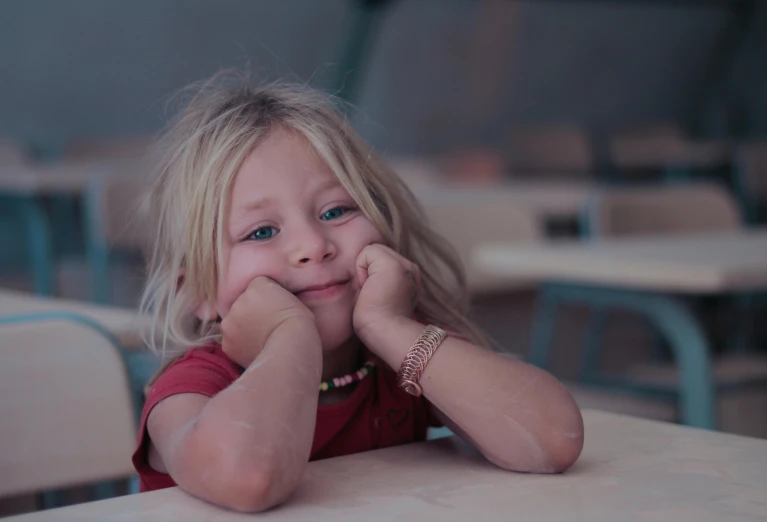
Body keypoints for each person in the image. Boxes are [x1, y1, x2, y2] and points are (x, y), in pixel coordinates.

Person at [132, 71, 584, 513]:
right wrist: (289, 335)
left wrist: (388, 326)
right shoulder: (193, 389)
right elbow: (247, 477)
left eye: (335, 211)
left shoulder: (396, 357)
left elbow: (552, 439)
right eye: (261, 231)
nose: (312, 245)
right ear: (198, 293)